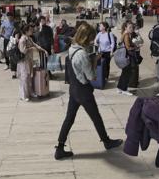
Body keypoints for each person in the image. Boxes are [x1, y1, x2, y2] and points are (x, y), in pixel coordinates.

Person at [55, 21, 123, 160]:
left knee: (69, 118)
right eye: (91, 37)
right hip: (83, 91)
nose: (92, 40)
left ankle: (60, 148)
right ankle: (107, 142)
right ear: (86, 37)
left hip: (73, 89)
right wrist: (94, 60)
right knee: (96, 117)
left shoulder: (72, 48)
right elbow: (91, 76)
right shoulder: (83, 54)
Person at [17, 23, 47, 101]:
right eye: (30, 30)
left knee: (30, 77)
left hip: (29, 60)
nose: (32, 31)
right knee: (24, 78)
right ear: (26, 31)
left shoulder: (29, 38)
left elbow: (35, 45)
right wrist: (31, 48)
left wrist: (43, 50)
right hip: (23, 61)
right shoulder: (22, 39)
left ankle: (30, 92)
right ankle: (24, 95)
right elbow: (22, 51)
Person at [117, 21, 140, 96]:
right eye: (130, 27)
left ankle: (120, 88)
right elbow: (128, 47)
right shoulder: (126, 35)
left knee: (124, 72)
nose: (131, 28)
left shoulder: (124, 34)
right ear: (125, 27)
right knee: (127, 73)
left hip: (125, 56)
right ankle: (124, 89)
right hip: (128, 56)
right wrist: (135, 47)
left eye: (132, 27)